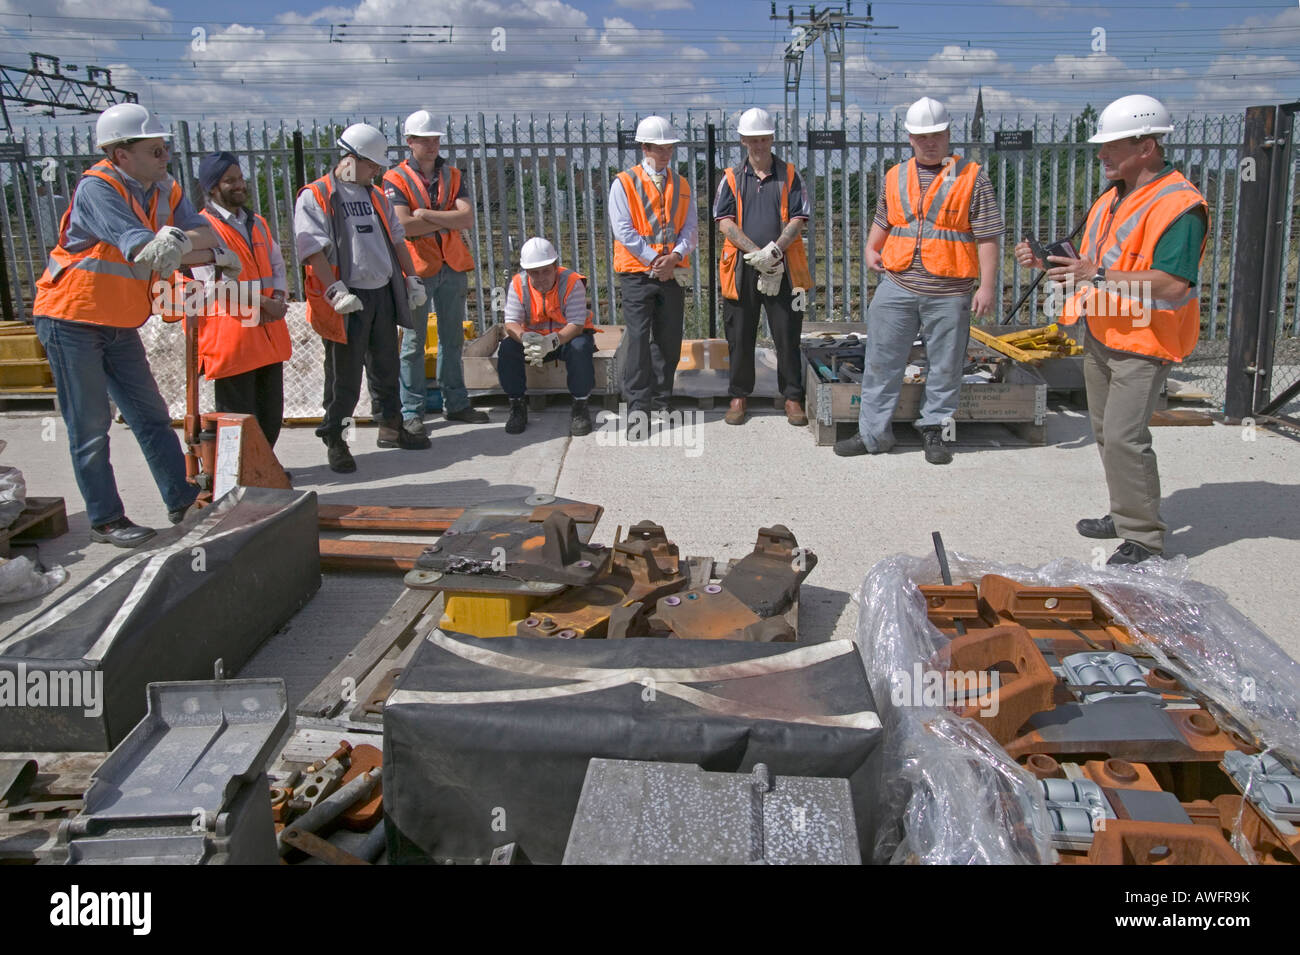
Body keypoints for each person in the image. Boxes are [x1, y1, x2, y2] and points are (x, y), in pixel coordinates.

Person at [1015, 95, 1208, 566]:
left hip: (1145, 340)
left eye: (1112, 146)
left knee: (1125, 437)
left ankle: (1144, 537)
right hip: (1102, 332)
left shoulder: (1181, 205)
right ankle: (1125, 515)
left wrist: (1094, 275)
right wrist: (1047, 261)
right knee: (1106, 432)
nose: (1102, 154)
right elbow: (1090, 262)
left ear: (1146, 146)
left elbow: (1171, 281)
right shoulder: (1112, 197)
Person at [31, 103, 228, 547]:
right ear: (122, 155)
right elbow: (146, 251)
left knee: (152, 417)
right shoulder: (98, 189)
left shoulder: (165, 189)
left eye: (164, 150)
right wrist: (189, 247)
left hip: (120, 319)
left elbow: (207, 234)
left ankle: (180, 500)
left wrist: (183, 241)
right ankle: (106, 520)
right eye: (155, 150)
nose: (165, 158)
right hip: (71, 317)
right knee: (90, 426)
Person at [835, 96, 1002, 464]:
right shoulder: (896, 175)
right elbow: (884, 219)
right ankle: (873, 435)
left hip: (950, 291)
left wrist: (987, 287)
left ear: (948, 135)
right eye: (921, 136)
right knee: (881, 360)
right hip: (897, 285)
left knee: (945, 364)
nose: (929, 142)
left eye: (936, 135)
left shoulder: (973, 177)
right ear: (910, 138)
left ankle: (935, 432)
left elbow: (988, 236)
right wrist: (870, 249)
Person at [294, 123, 430, 473]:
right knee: (344, 375)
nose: (378, 171)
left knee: (386, 365)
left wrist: (410, 277)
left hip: (381, 293)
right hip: (346, 299)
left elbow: (397, 239)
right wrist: (334, 290)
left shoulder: (375, 195)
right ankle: (336, 438)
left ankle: (391, 426)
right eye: (373, 165)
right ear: (351, 160)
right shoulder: (317, 195)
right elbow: (311, 249)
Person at [383, 110, 488, 435]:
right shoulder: (394, 178)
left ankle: (456, 404)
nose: (431, 145)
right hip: (416, 268)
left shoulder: (453, 175)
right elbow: (402, 224)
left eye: (435, 139)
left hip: (452, 265)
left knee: (452, 340)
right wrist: (445, 218)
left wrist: (426, 214)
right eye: (424, 139)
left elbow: (466, 219)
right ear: (410, 142)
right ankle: (411, 411)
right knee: (413, 343)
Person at [714, 107, 812, 426]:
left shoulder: (791, 175)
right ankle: (739, 395)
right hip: (742, 268)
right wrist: (757, 253)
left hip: (785, 268)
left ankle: (792, 396)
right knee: (740, 334)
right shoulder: (730, 178)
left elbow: (799, 217)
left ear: (772, 138)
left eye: (763, 139)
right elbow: (724, 221)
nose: (758, 145)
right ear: (742, 141)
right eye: (751, 140)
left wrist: (774, 252)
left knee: (787, 333)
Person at [190, 151, 291, 447]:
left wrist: (280, 296)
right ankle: (241, 474)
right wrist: (265, 303)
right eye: (229, 180)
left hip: (267, 332)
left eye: (240, 179)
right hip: (233, 336)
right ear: (211, 188)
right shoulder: (202, 229)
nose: (239, 185)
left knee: (270, 410)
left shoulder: (256, 222)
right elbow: (213, 284)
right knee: (237, 413)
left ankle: (263, 467)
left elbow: (276, 264)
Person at [608, 115, 697, 428]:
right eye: (659, 148)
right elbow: (623, 229)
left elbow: (690, 228)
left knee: (669, 339)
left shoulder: (682, 184)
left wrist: (673, 257)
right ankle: (637, 407)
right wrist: (654, 259)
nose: (665, 153)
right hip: (637, 273)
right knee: (638, 339)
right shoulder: (624, 183)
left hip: (671, 272)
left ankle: (662, 401)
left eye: (669, 147)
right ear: (644, 147)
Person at [496, 237, 596, 437]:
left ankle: (580, 406)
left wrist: (553, 341)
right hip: (532, 341)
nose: (541, 278)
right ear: (526, 271)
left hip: (564, 339)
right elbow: (511, 322)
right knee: (507, 349)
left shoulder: (572, 282)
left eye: (546, 271)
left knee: (581, 347)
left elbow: (576, 324)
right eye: (534, 273)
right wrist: (525, 338)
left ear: (555, 266)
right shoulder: (517, 284)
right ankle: (517, 405)